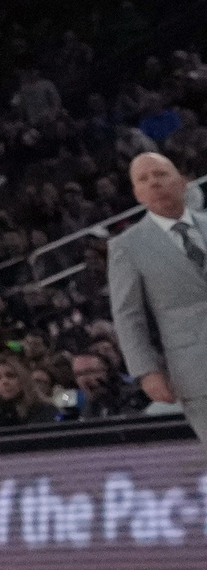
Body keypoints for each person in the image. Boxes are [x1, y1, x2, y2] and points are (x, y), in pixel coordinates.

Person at [110, 150, 207, 447]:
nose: (154, 182)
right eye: (144, 179)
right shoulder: (127, 246)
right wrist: (146, 371)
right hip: (196, 369)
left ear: (182, 182)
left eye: (161, 174)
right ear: (137, 194)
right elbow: (128, 316)